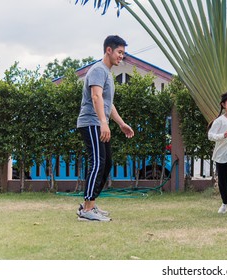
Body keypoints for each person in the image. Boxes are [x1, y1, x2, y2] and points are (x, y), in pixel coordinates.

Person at [76, 35, 134, 222]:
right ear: (108, 50)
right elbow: (96, 97)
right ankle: (87, 209)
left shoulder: (107, 73)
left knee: (106, 163)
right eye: (119, 52)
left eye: (123, 54)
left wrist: (121, 123)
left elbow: (108, 103)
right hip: (91, 122)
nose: (121, 57)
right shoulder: (98, 70)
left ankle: (89, 205)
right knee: (98, 163)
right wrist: (103, 122)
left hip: (97, 121)